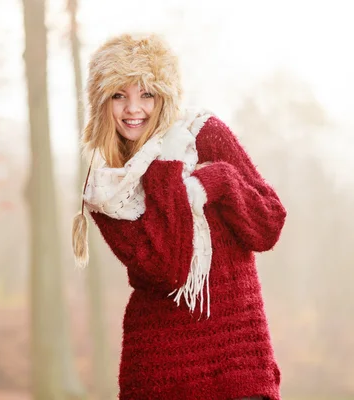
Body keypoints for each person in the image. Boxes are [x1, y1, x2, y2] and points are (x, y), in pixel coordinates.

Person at [71, 32, 287, 400]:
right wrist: (167, 169)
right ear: (101, 102)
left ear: (165, 95)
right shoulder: (107, 187)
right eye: (119, 95)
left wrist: (218, 179)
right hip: (160, 363)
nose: (133, 108)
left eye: (146, 94)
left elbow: (267, 226)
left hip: (235, 351)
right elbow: (167, 267)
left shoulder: (204, 133)